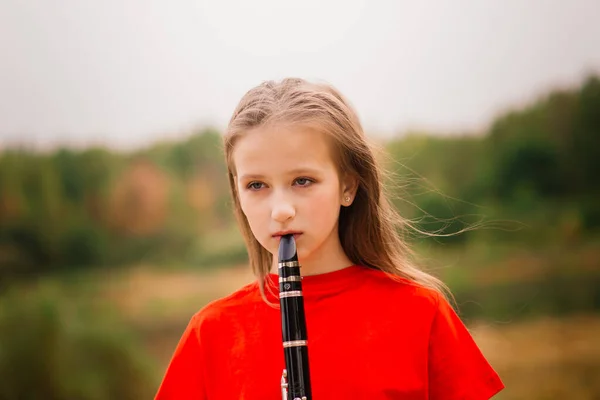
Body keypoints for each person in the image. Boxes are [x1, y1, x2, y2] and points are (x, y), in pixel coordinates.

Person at [154, 78, 505, 399]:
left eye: (302, 181)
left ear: (348, 185)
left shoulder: (420, 314)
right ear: (237, 193)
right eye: (256, 185)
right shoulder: (211, 334)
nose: (281, 210)